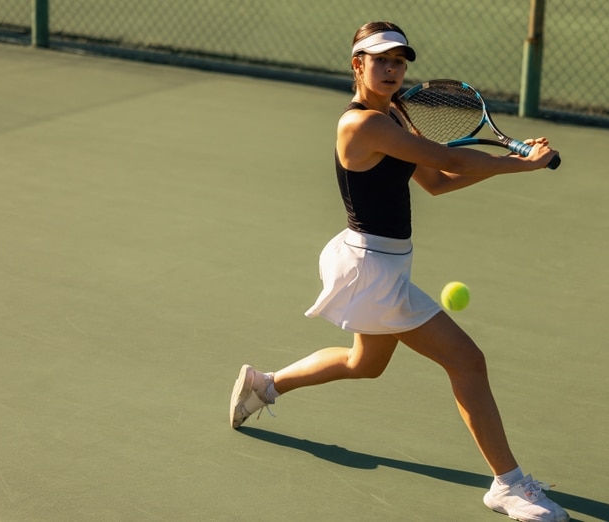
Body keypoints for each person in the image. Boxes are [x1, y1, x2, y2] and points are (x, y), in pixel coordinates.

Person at [228, 21, 569, 522]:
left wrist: (510, 161)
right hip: (371, 267)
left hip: (378, 262)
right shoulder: (361, 125)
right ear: (357, 65)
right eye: (380, 59)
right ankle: (509, 485)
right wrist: (523, 164)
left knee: (365, 363)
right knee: (468, 362)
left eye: (399, 61)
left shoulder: (396, 123)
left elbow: (437, 180)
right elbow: (445, 156)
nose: (391, 69)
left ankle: (264, 384)